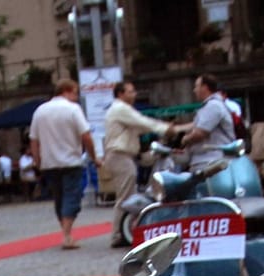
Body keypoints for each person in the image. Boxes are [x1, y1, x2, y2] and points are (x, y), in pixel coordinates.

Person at [100, 79, 176, 246]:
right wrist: (165, 128)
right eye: (131, 91)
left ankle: (123, 232)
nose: (134, 94)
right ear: (121, 94)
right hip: (120, 155)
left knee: (127, 194)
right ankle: (118, 234)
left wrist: (164, 127)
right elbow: (144, 122)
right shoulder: (120, 108)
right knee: (126, 196)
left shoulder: (122, 111)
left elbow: (142, 126)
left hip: (123, 155)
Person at [29, 78, 99, 250]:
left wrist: (38, 160)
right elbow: (86, 136)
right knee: (71, 197)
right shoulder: (73, 109)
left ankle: (65, 232)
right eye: (75, 92)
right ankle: (67, 235)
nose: (76, 96)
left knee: (59, 198)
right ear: (67, 90)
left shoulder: (40, 111)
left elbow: (34, 140)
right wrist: (94, 156)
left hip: (49, 162)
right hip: (71, 161)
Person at [181, 73, 236, 166]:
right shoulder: (209, 106)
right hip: (208, 160)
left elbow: (200, 134)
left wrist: (185, 139)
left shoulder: (213, 106)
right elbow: (194, 126)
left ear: (205, 87)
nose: (194, 90)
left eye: (196, 87)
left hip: (213, 161)